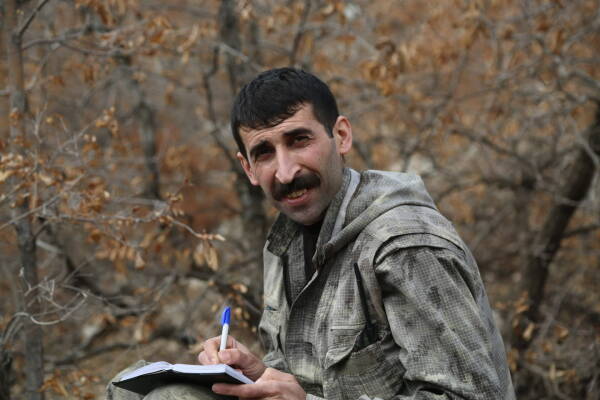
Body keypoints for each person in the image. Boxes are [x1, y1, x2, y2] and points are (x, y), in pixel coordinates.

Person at [107, 68, 515, 400]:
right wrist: (260, 374)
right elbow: (315, 381)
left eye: (299, 140)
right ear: (248, 169)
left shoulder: (404, 244)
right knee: (142, 392)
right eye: (264, 153)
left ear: (341, 136)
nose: (286, 172)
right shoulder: (287, 239)